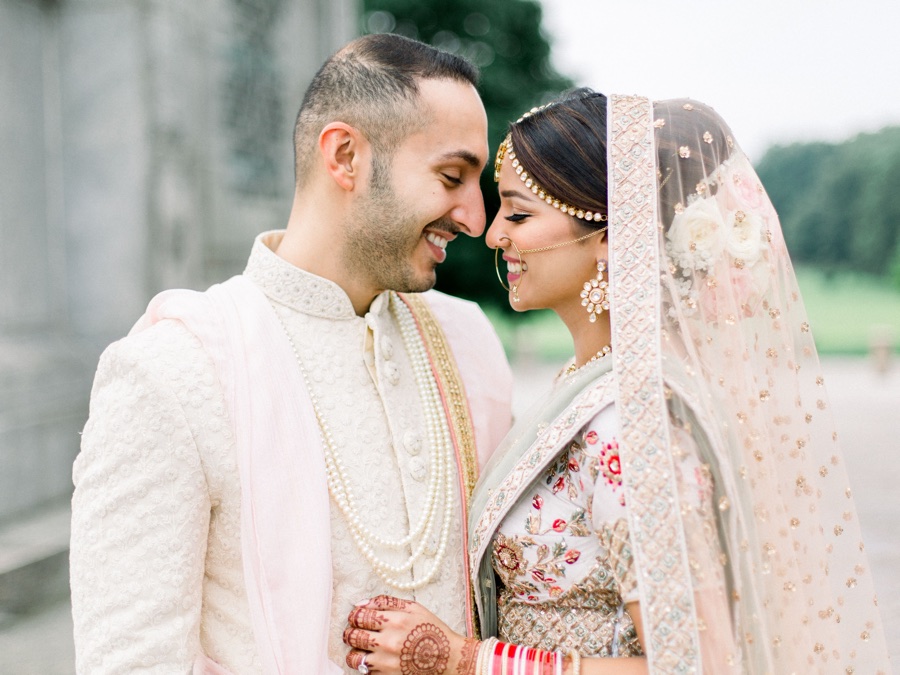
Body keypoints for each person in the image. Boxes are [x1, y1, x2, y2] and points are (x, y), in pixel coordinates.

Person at [342, 90, 892, 673]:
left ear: (610, 235)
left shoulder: (630, 420)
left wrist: (465, 660)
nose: (494, 234)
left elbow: (693, 663)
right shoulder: (590, 384)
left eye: (520, 213)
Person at [69, 33, 513, 674]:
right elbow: (131, 662)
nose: (476, 217)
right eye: (452, 176)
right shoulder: (173, 372)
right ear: (345, 156)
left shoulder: (466, 340)